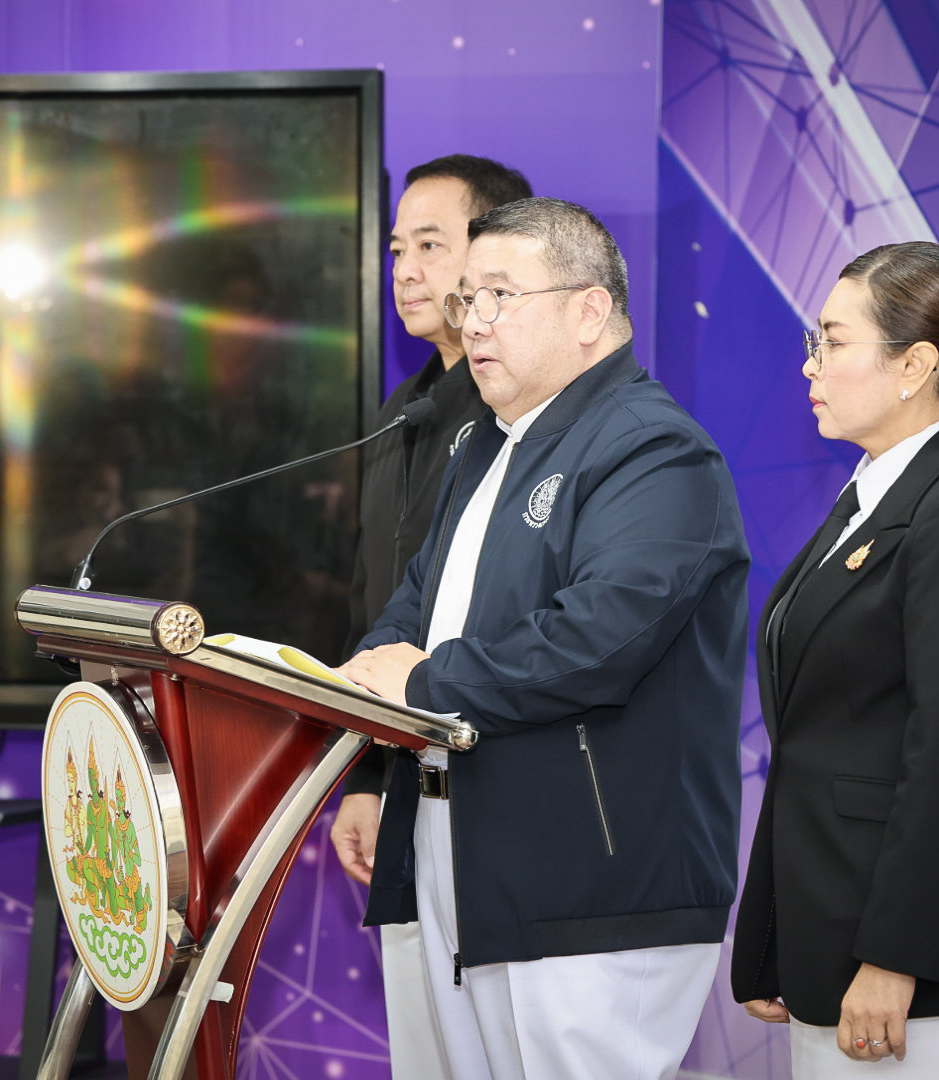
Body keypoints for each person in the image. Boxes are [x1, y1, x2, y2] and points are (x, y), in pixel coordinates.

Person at [338, 197, 749, 1079]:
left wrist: (422, 685)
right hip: (466, 848)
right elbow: (417, 605)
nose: (473, 321)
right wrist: (364, 674)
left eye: (499, 296)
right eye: (467, 300)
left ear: (589, 311)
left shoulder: (655, 450)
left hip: (591, 877)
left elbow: (598, 639)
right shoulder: (487, 445)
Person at [730, 241, 939, 1077]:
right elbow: (815, 746)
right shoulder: (871, 499)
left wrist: (895, 957)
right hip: (829, 949)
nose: (810, 365)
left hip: (920, 978)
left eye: (833, 342)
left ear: (913, 366)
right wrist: (771, 939)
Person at [326, 153, 531, 1078]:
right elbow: (373, 605)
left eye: (430, 246)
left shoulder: (514, 419)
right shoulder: (400, 411)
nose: (405, 270)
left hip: (494, 785)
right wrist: (363, 778)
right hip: (400, 772)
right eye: (397, 249)